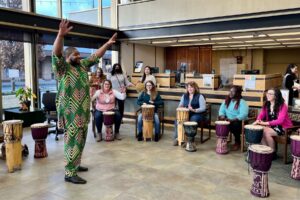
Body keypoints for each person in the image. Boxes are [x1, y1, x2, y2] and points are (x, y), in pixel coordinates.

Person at [52, 19, 117, 184]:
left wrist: (108, 44)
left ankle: (76, 164)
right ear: (67, 57)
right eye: (75, 54)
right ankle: (69, 172)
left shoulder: (81, 66)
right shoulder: (63, 69)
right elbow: (56, 53)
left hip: (82, 112)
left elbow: (96, 56)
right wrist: (60, 35)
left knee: (81, 140)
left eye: (79, 54)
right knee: (72, 141)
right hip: (70, 112)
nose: (79, 56)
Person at [253, 88, 292, 152]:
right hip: (272, 125)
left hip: (283, 127)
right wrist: (258, 120)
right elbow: (261, 115)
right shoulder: (267, 104)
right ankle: (266, 151)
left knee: (267, 133)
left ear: (276, 96)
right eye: (267, 93)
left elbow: (280, 121)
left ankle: (272, 152)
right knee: (260, 131)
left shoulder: (282, 105)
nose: (268, 95)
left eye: (270, 94)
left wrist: (265, 123)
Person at [173, 81, 206, 146]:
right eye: (188, 87)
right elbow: (180, 105)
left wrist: (194, 110)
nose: (190, 89)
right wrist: (181, 107)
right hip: (187, 113)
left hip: (197, 114)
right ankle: (178, 138)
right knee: (177, 120)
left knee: (192, 119)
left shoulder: (200, 96)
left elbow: (203, 108)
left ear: (195, 88)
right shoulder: (184, 96)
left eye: (191, 87)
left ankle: (190, 140)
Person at [218, 85, 249, 151]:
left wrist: (232, 120)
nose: (230, 93)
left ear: (237, 93)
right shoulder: (227, 101)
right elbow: (221, 110)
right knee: (221, 124)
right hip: (228, 120)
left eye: (233, 92)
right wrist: (223, 116)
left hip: (239, 121)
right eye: (230, 91)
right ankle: (223, 140)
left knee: (235, 124)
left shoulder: (242, 102)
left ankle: (237, 142)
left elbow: (243, 114)